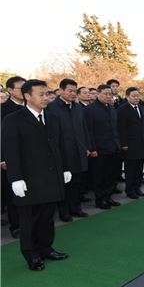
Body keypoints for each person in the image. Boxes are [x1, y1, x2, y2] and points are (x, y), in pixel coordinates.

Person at [4, 79, 71, 271]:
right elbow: (11, 151)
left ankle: (46, 248)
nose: (46, 97)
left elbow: (59, 146)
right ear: (27, 96)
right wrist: (15, 178)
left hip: (51, 178)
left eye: (47, 93)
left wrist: (64, 168)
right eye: (41, 94)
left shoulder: (52, 118)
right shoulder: (14, 120)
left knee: (47, 217)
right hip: (29, 180)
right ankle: (31, 254)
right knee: (29, 220)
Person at [46, 78, 91, 221]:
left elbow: (84, 129)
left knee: (77, 182)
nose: (73, 94)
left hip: (78, 151)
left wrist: (87, 147)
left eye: (74, 91)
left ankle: (76, 208)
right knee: (65, 183)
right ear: (61, 91)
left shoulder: (78, 107)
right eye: (70, 91)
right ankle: (64, 212)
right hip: (62, 152)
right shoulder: (51, 108)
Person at [84, 84, 121, 209]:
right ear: (98, 94)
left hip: (113, 147)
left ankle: (108, 197)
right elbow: (88, 130)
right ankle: (100, 200)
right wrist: (92, 148)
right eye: (105, 94)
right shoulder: (90, 109)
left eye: (110, 94)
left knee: (111, 175)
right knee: (99, 176)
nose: (108, 96)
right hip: (99, 149)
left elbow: (115, 128)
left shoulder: (111, 108)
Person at [1, 76, 26, 238]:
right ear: (10, 90)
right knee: (13, 193)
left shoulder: (32, 108)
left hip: (30, 158)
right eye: (20, 88)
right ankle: (15, 225)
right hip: (9, 159)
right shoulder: (3, 109)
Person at [117, 87, 144, 199]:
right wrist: (124, 144)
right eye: (134, 96)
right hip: (130, 144)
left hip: (141, 143)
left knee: (139, 168)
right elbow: (121, 128)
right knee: (130, 169)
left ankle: (137, 188)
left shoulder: (142, 108)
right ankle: (130, 190)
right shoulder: (122, 109)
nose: (136, 98)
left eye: (137, 95)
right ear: (127, 97)